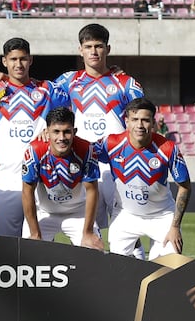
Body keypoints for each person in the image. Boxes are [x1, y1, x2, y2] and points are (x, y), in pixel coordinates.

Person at [0, 37, 68, 237]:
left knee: (38, 245)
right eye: (13, 59)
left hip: (41, 179)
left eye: (23, 59)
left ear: (30, 60)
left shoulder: (48, 89)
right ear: (4, 61)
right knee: (6, 245)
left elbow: (72, 109)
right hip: (6, 179)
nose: (18, 64)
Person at [53, 24, 144, 236]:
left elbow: (143, 120)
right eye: (88, 46)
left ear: (108, 49)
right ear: (80, 50)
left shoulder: (126, 83)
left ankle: (135, 268)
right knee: (88, 228)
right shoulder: (68, 82)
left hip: (118, 164)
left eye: (98, 46)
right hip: (82, 163)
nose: (93, 52)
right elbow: (35, 91)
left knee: (126, 227)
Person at [94, 98, 191, 260]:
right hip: (125, 215)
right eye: (135, 120)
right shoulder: (110, 143)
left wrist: (175, 226)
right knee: (117, 269)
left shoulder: (168, 148)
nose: (139, 125)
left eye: (145, 120)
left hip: (161, 216)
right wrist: (48, 136)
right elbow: (81, 149)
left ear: (153, 123)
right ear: (126, 121)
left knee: (169, 266)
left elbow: (185, 186)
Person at [21, 107, 104, 250]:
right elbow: (27, 191)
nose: (61, 138)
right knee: (29, 254)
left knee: (94, 251)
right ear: (46, 132)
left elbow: (92, 191)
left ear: (74, 132)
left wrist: (88, 232)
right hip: (45, 213)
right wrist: (35, 234)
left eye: (67, 132)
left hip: (77, 212)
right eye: (56, 132)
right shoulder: (34, 151)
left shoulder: (86, 150)